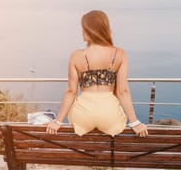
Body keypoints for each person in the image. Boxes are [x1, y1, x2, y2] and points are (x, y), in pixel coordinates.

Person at [46, 10, 148, 138]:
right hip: (109, 115)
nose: (81, 32)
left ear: (92, 30)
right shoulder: (120, 54)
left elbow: (71, 91)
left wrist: (58, 121)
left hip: (82, 115)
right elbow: (123, 92)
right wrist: (135, 122)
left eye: (84, 29)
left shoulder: (76, 56)